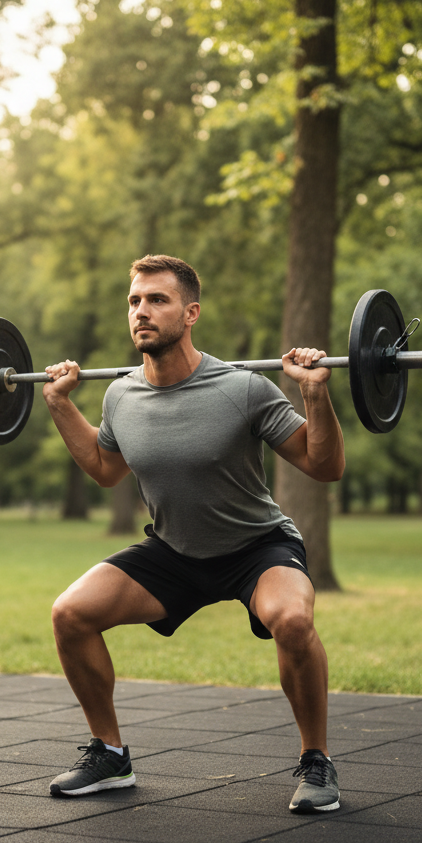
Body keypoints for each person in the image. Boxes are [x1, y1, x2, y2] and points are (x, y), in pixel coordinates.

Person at [42, 255, 346, 814]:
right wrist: (61, 405)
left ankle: (317, 760)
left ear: (191, 313)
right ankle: (110, 755)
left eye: (157, 300)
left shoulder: (244, 389)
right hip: (175, 551)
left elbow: (323, 467)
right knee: (70, 613)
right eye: (135, 301)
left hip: (256, 547)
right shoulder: (120, 396)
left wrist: (315, 394)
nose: (142, 312)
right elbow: (106, 469)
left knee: (294, 620)